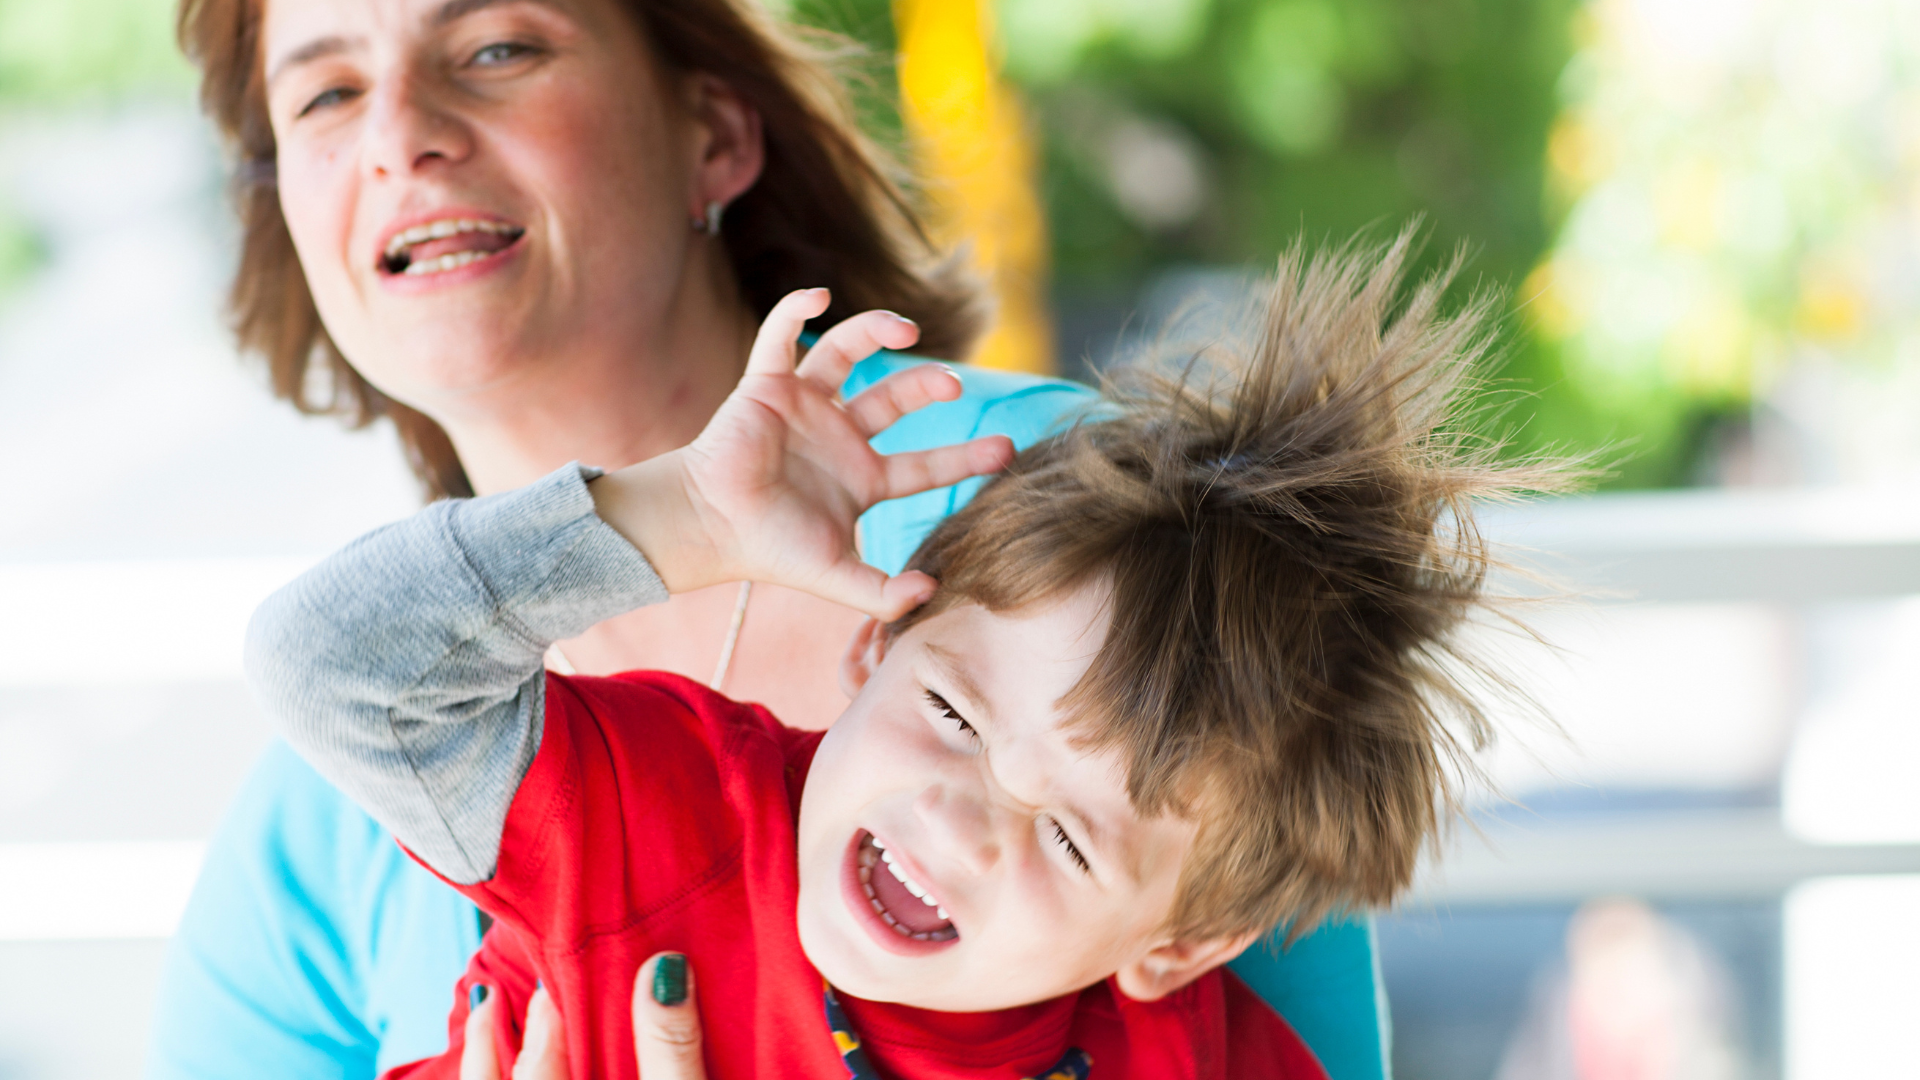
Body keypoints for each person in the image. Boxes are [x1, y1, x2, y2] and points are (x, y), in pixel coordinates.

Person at [149, 0, 1390, 1076]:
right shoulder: (323, 820)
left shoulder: (1110, 538)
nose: (397, 133)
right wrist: (686, 518)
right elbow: (330, 660)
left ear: (715, 133)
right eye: (325, 92)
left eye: (496, 47)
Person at [251, 239, 1561, 1079]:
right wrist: (691, 521)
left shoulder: (1181, 1053)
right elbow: (330, 665)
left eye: (1072, 843)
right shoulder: (653, 816)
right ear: (878, 643)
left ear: (1180, 944)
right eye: (951, 711)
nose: (962, 820)